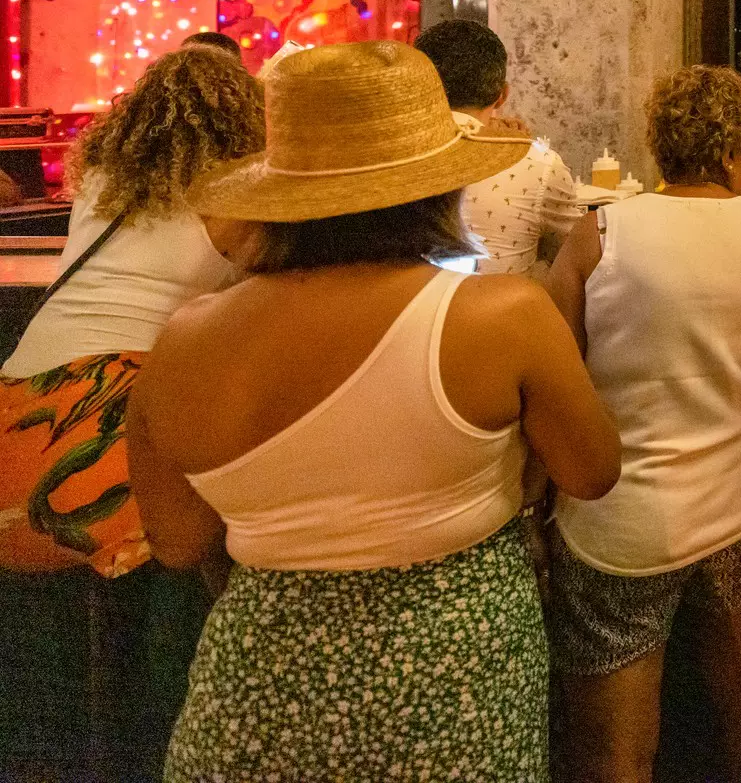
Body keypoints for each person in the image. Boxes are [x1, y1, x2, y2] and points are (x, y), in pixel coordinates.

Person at [126, 40, 620, 782]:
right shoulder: (502, 316)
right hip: (456, 678)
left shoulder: (186, 340)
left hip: (259, 689)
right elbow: (592, 469)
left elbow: (177, 537)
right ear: (437, 189)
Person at [0, 47, 264, 775]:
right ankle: (167, 734)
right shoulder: (238, 196)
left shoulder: (107, 181)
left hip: (20, 407)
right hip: (112, 422)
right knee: (206, 540)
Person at [546, 66, 741, 783]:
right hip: (739, 503)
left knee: (616, 752)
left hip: (618, 516)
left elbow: (561, 374)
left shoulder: (598, 233)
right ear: (730, 151)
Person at [415, 19, 581, 276]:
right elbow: (573, 254)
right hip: (503, 311)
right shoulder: (538, 164)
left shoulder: (387, 160)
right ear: (501, 95)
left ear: (420, 90)